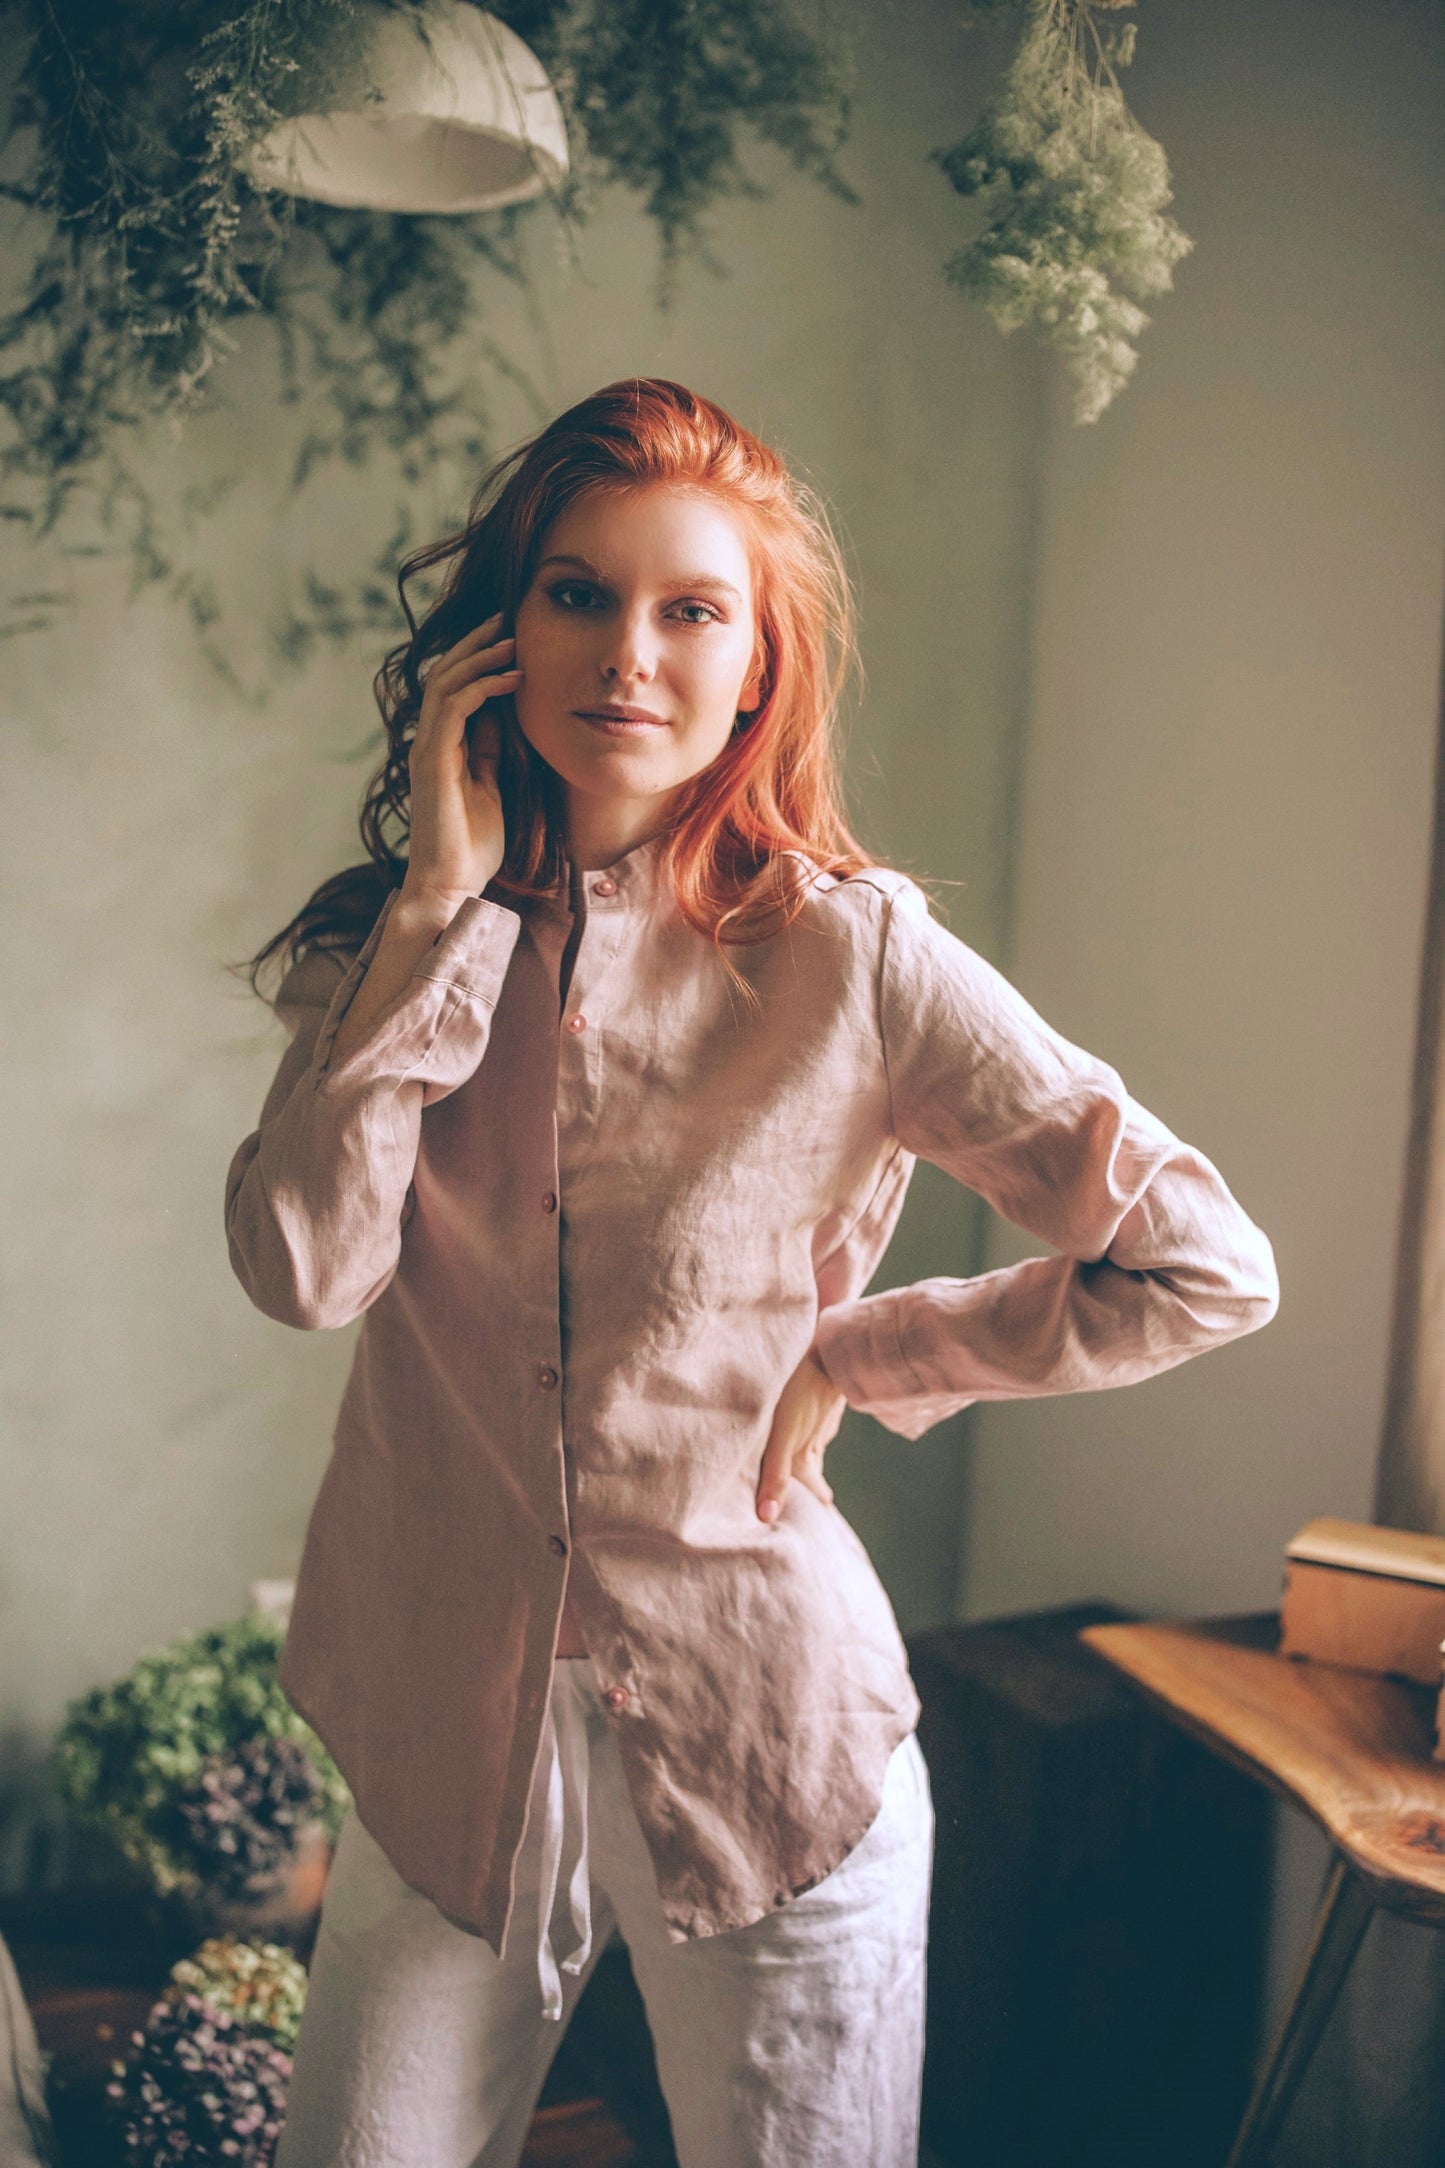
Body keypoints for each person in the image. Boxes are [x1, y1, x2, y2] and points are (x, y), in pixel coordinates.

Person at [227, 377, 1279, 2168]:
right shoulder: (380, 951)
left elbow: (1198, 1263)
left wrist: (876, 1355)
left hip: (766, 1739)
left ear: (754, 669)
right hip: (436, 1729)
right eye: (575, 592)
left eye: (689, 609)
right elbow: (309, 1271)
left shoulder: (851, 955)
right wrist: (433, 918)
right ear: (500, 632)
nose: (625, 654)